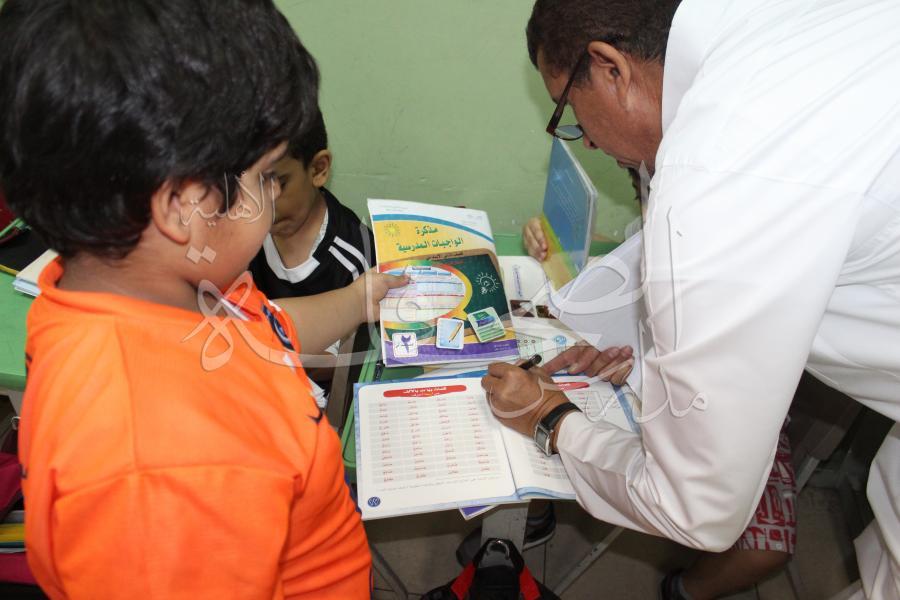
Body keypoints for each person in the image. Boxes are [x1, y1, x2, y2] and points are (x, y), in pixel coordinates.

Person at [485, 1, 900, 599]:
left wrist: (550, 419)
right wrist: (639, 341)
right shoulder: (749, 34)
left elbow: (698, 509)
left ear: (610, 68)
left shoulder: (716, 187)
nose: (589, 142)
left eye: (570, 111)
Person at [0, 1, 406, 598]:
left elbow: (261, 332)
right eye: (265, 177)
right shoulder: (166, 468)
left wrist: (360, 298)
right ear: (183, 206)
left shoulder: (151, 286)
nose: (273, 197)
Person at [524, 173, 797, 596]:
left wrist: (638, 368)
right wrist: (553, 246)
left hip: (727, 411)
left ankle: (681, 590)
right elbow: (630, 261)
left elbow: (704, 461)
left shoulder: (761, 277)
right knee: (551, 388)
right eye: (644, 194)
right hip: (656, 379)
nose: (651, 209)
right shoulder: (670, 224)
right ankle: (536, 511)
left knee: (764, 551)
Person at [249, 109, 373, 300]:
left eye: (276, 184)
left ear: (318, 169)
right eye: (246, 186)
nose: (258, 203)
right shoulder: (241, 233)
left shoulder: (356, 259)